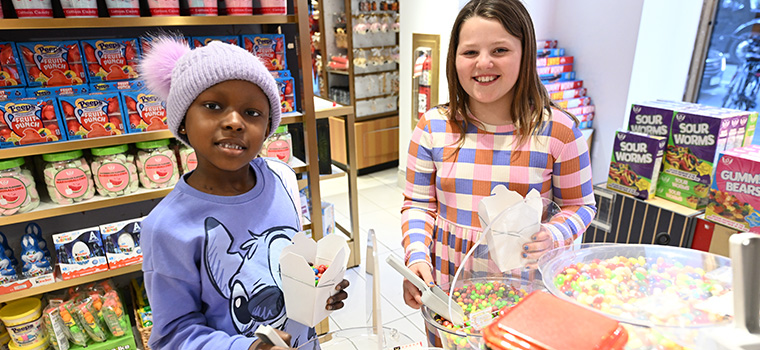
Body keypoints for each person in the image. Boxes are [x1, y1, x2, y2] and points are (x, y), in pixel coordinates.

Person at [400, 0, 597, 345]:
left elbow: (581, 206)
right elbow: (418, 205)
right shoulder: (432, 126)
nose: (484, 63)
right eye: (470, 51)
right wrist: (416, 256)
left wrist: (552, 233)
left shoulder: (560, 132)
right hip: (449, 284)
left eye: (500, 49)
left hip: (523, 289)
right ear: (454, 58)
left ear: (526, 54)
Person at [139, 36, 349, 350]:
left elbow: (291, 264)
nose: (235, 122)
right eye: (213, 106)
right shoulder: (167, 227)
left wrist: (319, 286)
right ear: (182, 121)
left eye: (252, 112)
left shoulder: (281, 178)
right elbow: (173, 335)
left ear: (267, 128)